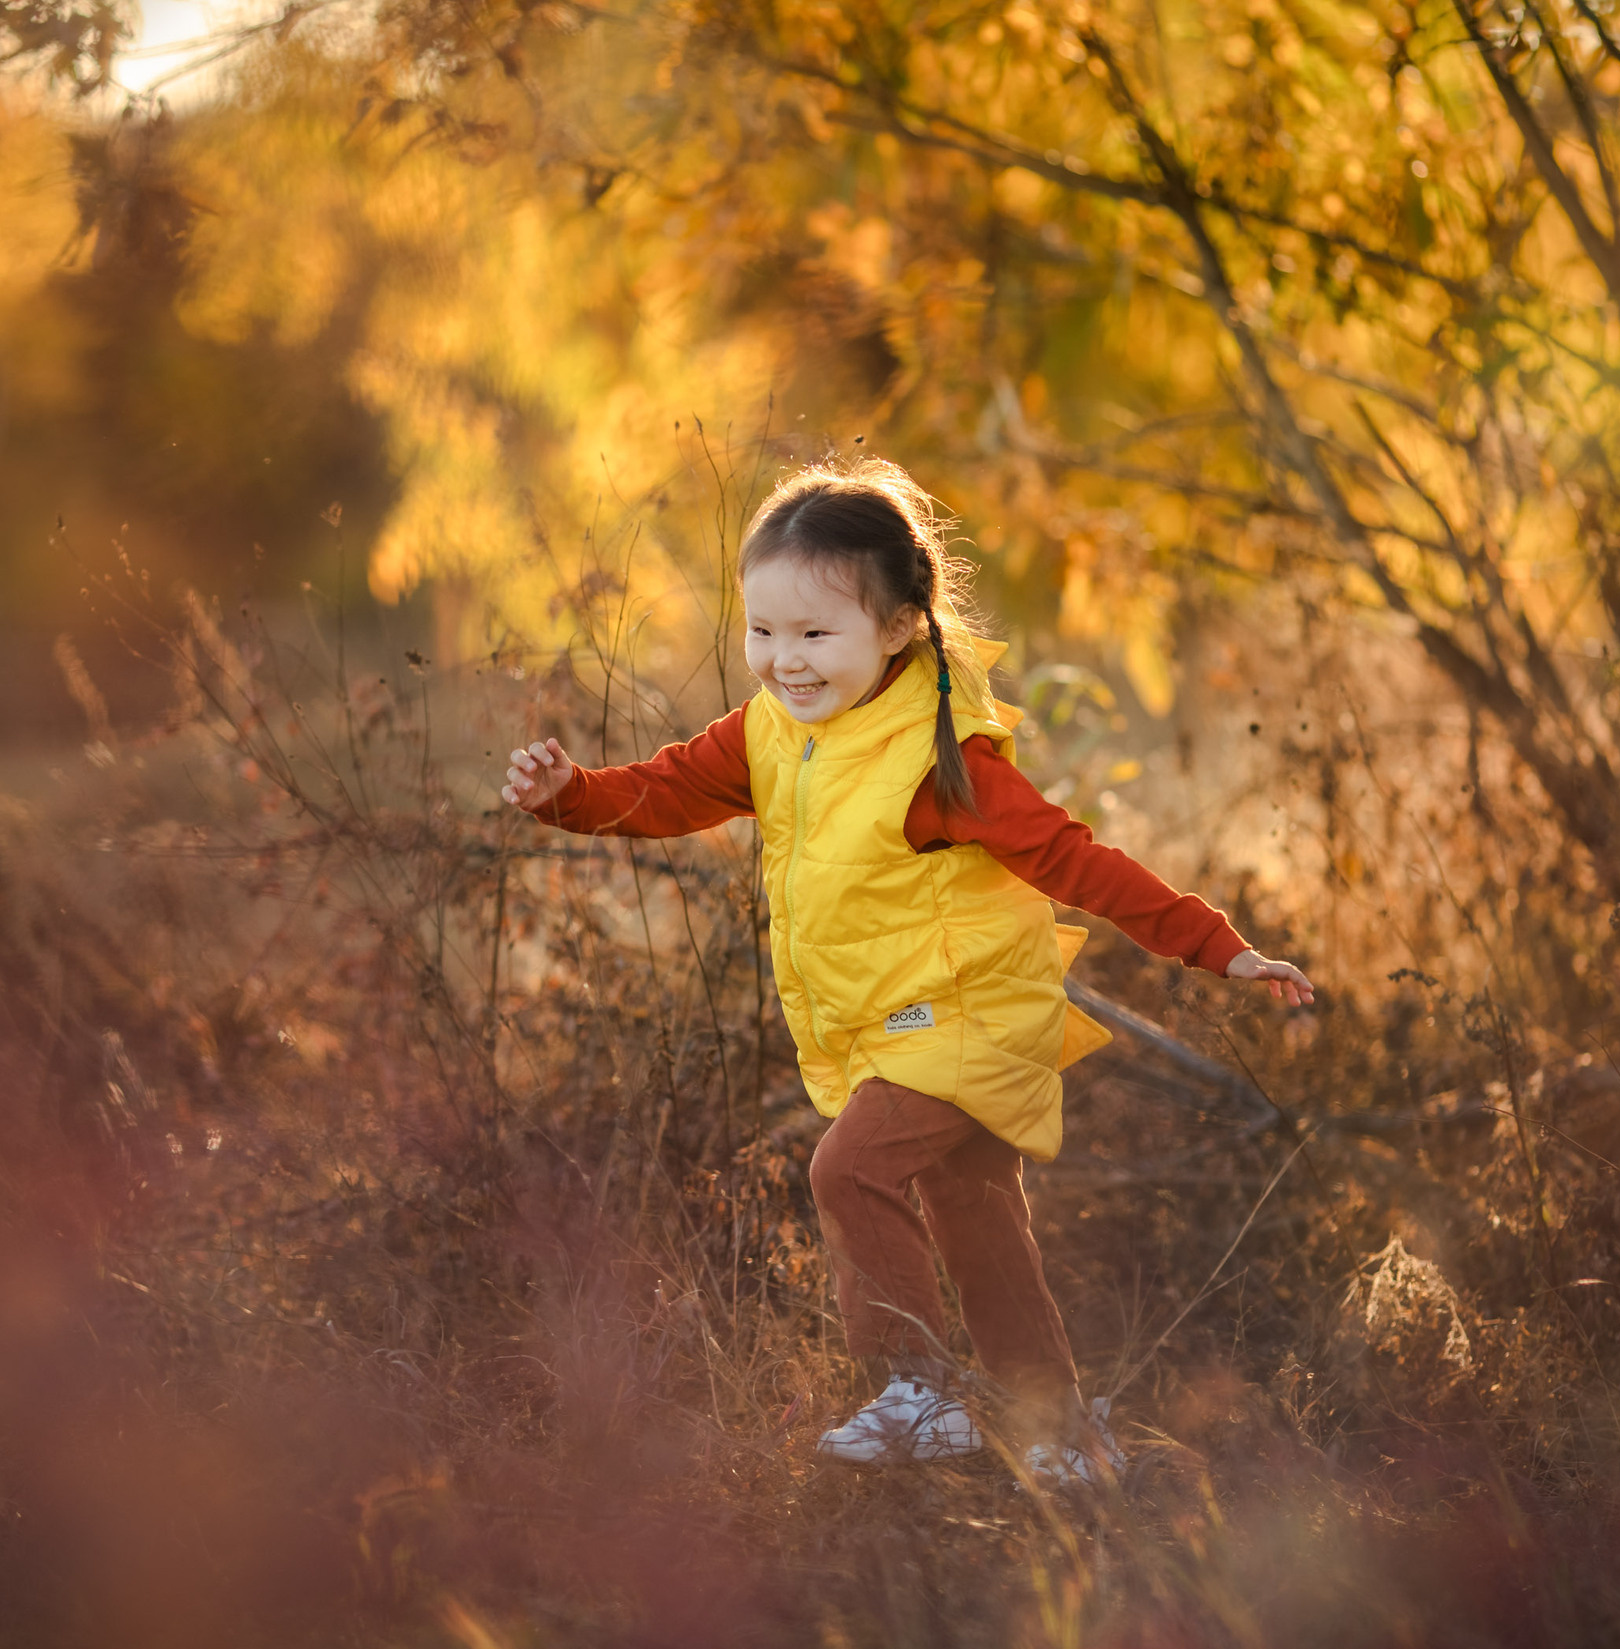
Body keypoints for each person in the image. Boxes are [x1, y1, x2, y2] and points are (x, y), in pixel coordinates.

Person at [500, 456, 1314, 1479]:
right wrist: (571, 795)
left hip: (968, 1015)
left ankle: (921, 1390)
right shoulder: (767, 733)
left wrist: (1219, 946)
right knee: (977, 1217)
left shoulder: (940, 758)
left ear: (895, 629)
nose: (783, 662)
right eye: (762, 631)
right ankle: (1061, 1433)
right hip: (902, 1020)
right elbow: (665, 792)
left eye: (814, 635)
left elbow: (1073, 859)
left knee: (848, 1169)